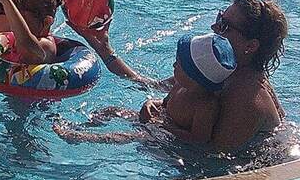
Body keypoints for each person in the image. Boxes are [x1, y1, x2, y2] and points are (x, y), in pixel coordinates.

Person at [76, 0, 287, 152]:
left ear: (250, 46)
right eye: (219, 17)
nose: (214, 27)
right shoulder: (213, 68)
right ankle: (79, 130)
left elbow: (211, 157)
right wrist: (104, 49)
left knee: (141, 137)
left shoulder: (248, 99)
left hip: (255, 167)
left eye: (224, 25)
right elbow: (150, 84)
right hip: (185, 138)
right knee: (116, 113)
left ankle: (76, 138)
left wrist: (157, 127)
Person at [55, 33, 237, 146]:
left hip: (166, 135)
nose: (174, 65)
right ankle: (81, 125)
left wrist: (165, 128)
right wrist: (152, 103)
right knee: (111, 111)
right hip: (160, 123)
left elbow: (198, 139)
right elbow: (165, 103)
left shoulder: (205, 106)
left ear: (194, 77)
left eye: (179, 65)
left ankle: (80, 137)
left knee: (128, 136)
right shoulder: (180, 84)